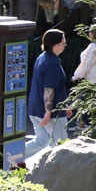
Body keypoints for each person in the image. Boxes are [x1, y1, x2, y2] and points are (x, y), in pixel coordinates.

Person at [26, 28, 71, 159]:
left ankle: (13, 157)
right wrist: (48, 112)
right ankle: (59, 173)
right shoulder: (53, 63)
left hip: (35, 108)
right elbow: (49, 89)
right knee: (61, 145)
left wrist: (65, 106)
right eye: (63, 42)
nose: (65, 45)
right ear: (55, 44)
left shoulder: (42, 57)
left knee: (41, 141)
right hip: (50, 113)